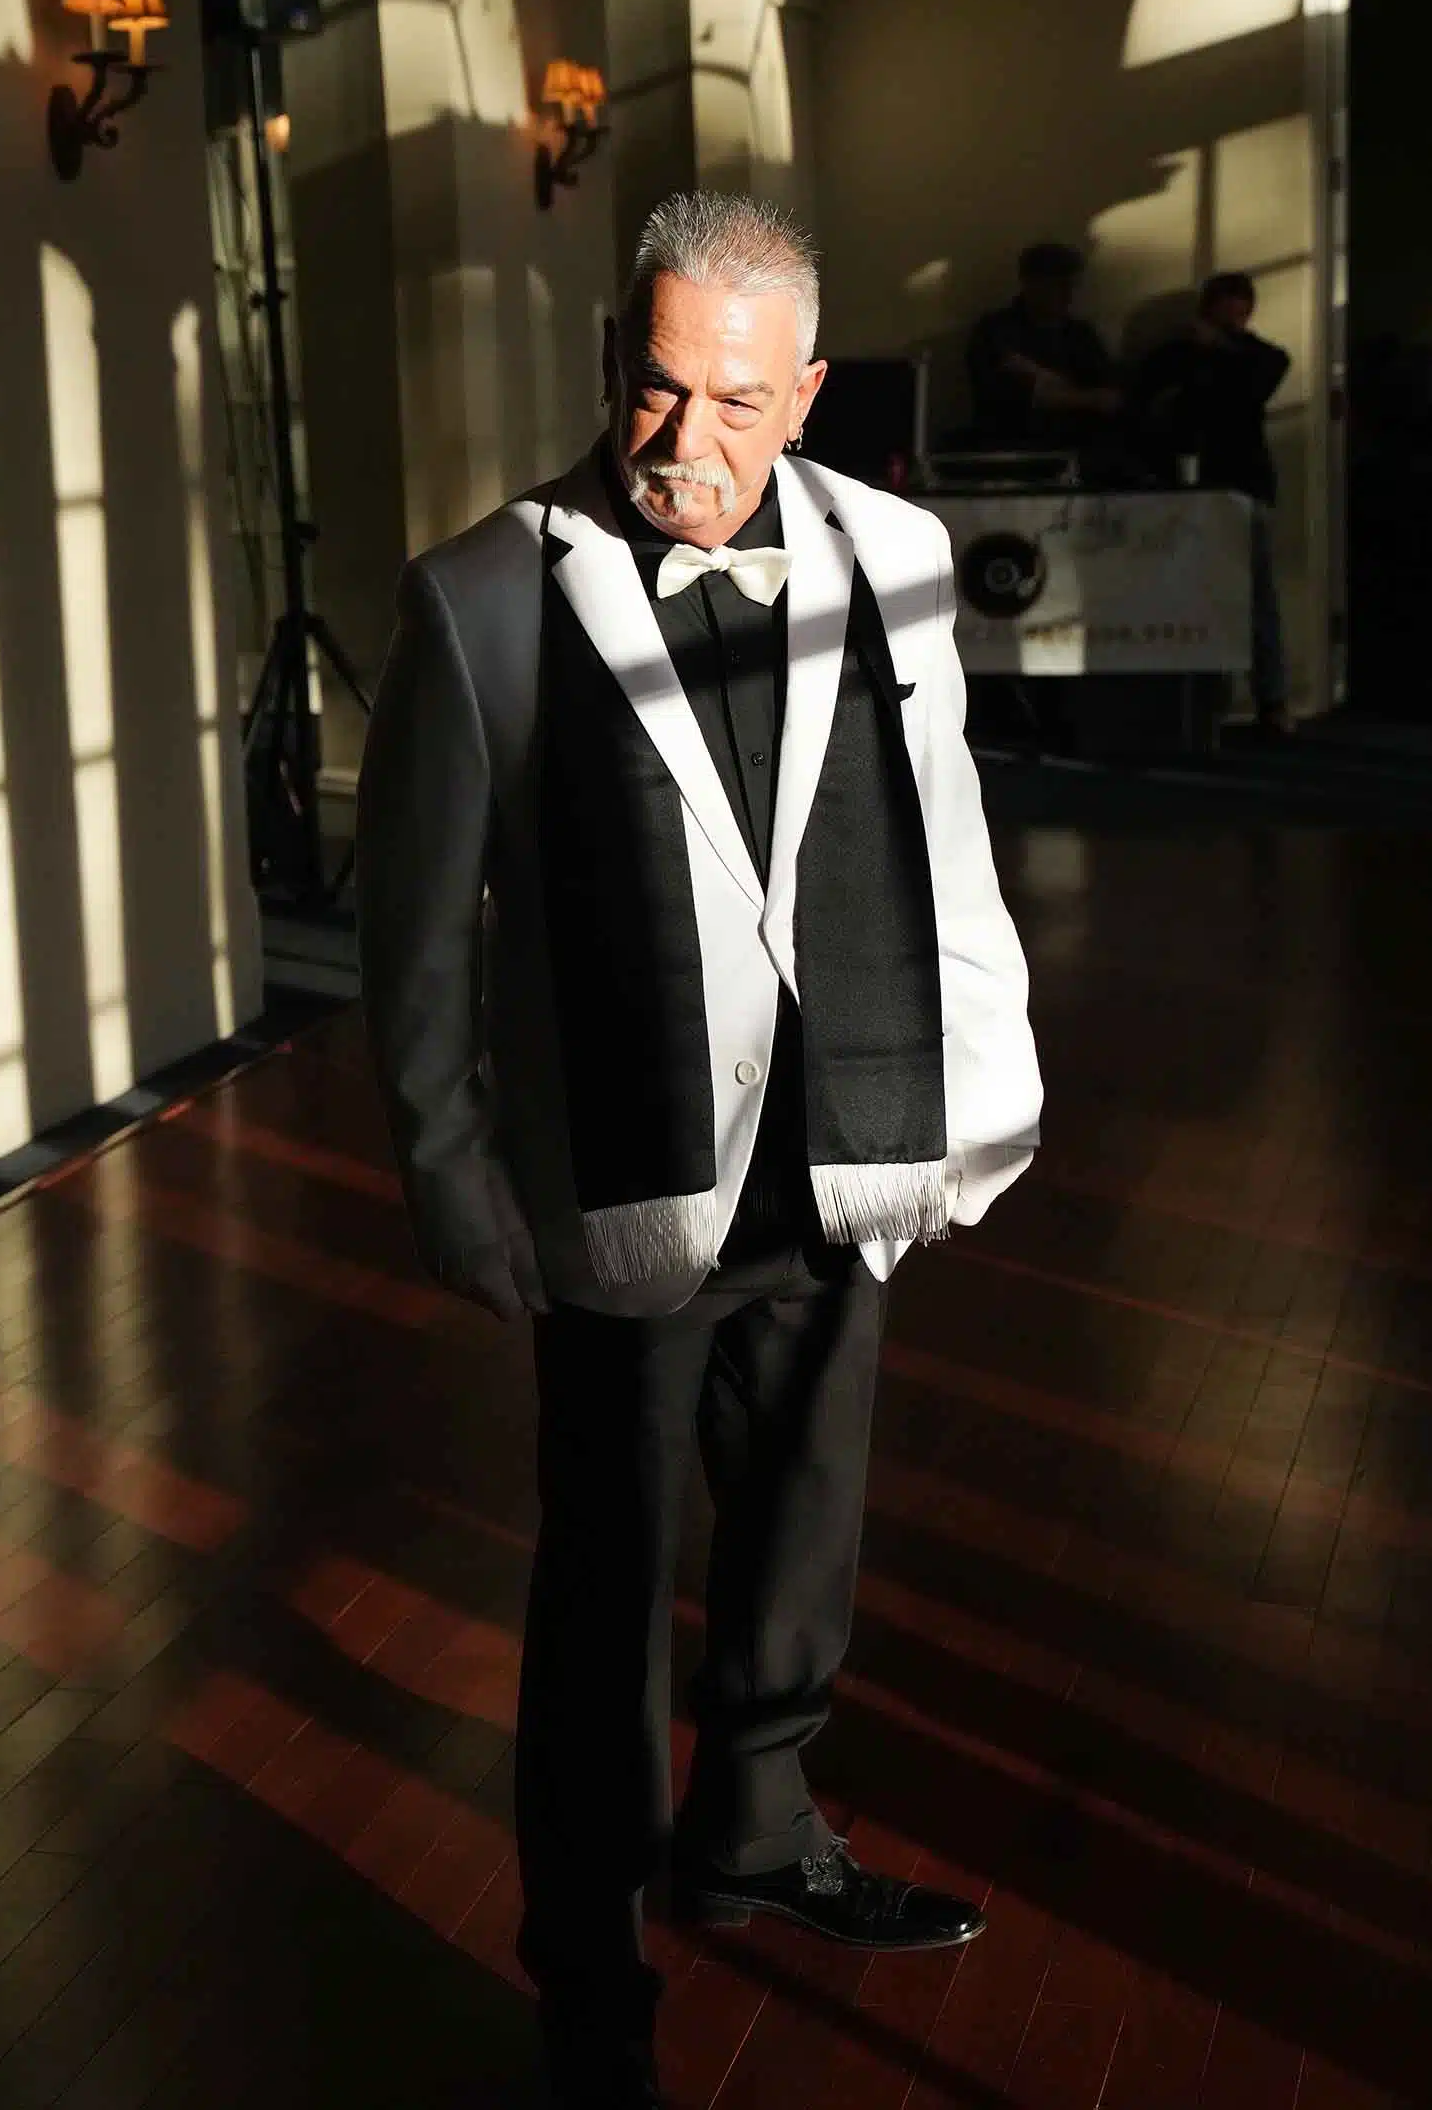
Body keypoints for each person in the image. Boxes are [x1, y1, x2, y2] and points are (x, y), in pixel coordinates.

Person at [355, 191, 1042, 2110]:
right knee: (605, 1590)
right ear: (614, 365)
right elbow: (413, 944)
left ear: (807, 392)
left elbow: (946, 835)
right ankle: (588, 1978)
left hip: (848, 1144)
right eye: (658, 390)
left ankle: (757, 1827)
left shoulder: (898, 554)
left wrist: (988, 1095)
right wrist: (450, 1175)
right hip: (620, 1179)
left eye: (738, 403)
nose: (688, 439)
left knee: (807, 1526)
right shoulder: (478, 595)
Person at [1132, 272, 1293, 734]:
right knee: (1187, 595)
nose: (1235, 322)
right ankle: (1205, 703)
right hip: (1183, 487)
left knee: (1256, 597)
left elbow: (1257, 384)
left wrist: (1220, 349)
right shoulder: (1175, 356)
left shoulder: (1259, 358)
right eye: (1227, 312)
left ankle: (1270, 700)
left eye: (1240, 313)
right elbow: (1145, 403)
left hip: (1241, 485)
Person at [965, 240, 1122, 450]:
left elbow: (1109, 394)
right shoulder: (994, 331)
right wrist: (1082, 399)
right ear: (1030, 284)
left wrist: (1054, 389)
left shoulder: (1081, 333)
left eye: (1070, 286)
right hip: (1015, 443)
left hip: (1082, 442)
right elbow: (1006, 398)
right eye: (1058, 286)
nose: (1068, 295)